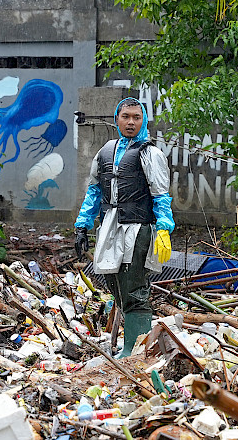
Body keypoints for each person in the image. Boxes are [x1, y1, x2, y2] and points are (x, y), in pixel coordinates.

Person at [74, 97, 174, 357]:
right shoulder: (106, 150)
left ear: (143, 121)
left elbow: (161, 194)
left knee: (134, 286)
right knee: (113, 280)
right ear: (116, 118)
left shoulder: (150, 153)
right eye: (126, 116)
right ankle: (130, 343)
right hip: (110, 225)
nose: (131, 122)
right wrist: (82, 226)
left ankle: (135, 349)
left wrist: (163, 228)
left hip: (138, 226)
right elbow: (94, 191)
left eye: (136, 117)